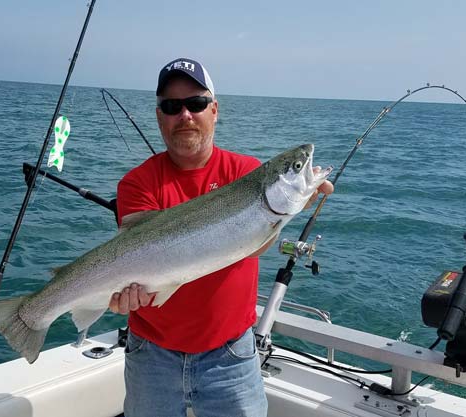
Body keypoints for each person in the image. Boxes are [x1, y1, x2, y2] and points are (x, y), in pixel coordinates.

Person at [110, 58, 333, 417]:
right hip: (150, 356)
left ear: (214, 111)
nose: (185, 115)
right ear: (159, 116)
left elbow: (255, 244)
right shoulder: (137, 183)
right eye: (171, 106)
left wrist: (296, 206)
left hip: (231, 357)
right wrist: (124, 295)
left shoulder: (246, 173)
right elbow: (134, 256)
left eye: (196, 104)